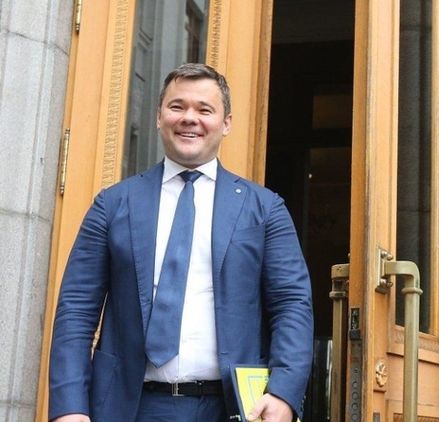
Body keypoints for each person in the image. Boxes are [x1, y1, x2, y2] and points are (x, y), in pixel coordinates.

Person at [48, 63, 313, 422]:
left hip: (231, 408)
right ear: (159, 117)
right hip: (129, 407)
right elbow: (77, 311)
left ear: (226, 123)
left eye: (205, 109)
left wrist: (283, 391)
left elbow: (292, 303)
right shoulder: (112, 205)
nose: (190, 118)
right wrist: (69, 407)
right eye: (177, 106)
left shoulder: (265, 210)